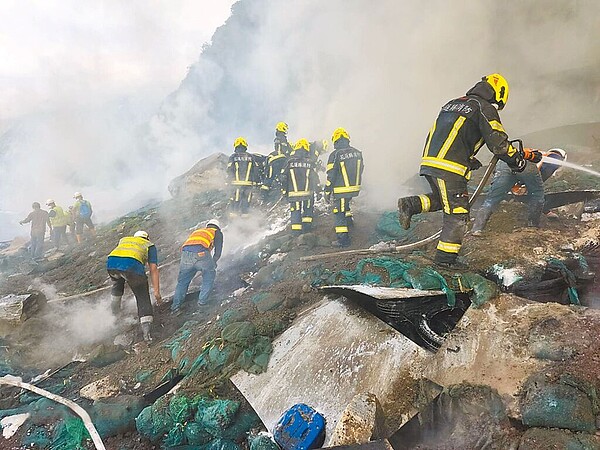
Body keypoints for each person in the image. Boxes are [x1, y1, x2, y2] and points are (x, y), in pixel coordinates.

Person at [397, 73, 540, 268]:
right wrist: (517, 162)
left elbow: (452, 134)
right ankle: (445, 261)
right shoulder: (484, 108)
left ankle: (411, 204)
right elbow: (499, 144)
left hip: (431, 162)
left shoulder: (453, 103)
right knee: (458, 213)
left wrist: (469, 158)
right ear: (499, 93)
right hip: (450, 167)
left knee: (444, 200)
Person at [471, 148, 567, 235]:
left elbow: (500, 173)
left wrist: (515, 185)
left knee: (492, 198)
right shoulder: (556, 158)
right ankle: (532, 227)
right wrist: (526, 187)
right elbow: (541, 177)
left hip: (505, 163)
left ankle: (477, 228)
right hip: (526, 165)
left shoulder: (538, 152)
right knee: (537, 194)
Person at [106, 230, 162, 342]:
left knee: (118, 283)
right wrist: (156, 292)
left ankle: (114, 315)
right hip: (131, 267)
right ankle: (147, 334)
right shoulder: (149, 245)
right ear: (147, 238)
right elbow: (153, 269)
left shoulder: (124, 240)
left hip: (111, 264)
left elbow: (121, 257)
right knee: (142, 297)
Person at [171, 219, 223, 313]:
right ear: (218, 227)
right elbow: (218, 252)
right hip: (201, 254)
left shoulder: (198, 231)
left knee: (182, 282)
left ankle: (175, 308)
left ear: (207, 225)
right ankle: (202, 303)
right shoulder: (216, 232)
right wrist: (213, 262)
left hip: (185, 254)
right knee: (208, 277)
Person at [325, 128, 364, 248]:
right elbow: (361, 168)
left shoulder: (335, 155)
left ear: (335, 140)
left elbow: (331, 174)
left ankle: (343, 240)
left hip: (341, 190)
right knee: (345, 205)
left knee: (339, 212)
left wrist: (327, 190)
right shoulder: (357, 152)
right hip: (354, 188)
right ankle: (349, 223)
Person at [281, 139, 321, 234]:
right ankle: (307, 231)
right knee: (308, 210)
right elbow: (314, 177)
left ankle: (296, 233)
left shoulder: (289, 162)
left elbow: (283, 178)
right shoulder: (309, 162)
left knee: (295, 211)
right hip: (307, 193)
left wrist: (284, 192)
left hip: (293, 194)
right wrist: (318, 190)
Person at [226, 137, 259, 217]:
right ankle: (245, 223)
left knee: (235, 203)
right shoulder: (251, 157)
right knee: (246, 203)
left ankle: (234, 223)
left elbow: (229, 170)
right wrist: (255, 182)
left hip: (236, 184)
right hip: (248, 185)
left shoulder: (233, 157)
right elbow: (255, 170)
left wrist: (228, 182)